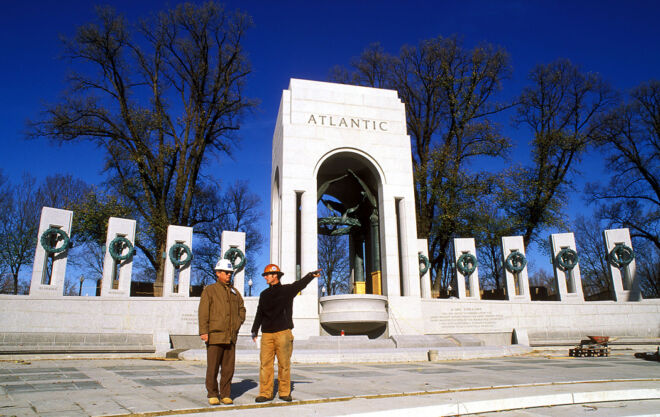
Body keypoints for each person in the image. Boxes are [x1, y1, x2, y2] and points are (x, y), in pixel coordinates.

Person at [251, 264, 321, 403]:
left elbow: (299, 284)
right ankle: (265, 393)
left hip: (283, 332)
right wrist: (254, 330)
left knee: (284, 364)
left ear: (275, 275)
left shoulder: (287, 290)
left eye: (267, 275)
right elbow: (259, 312)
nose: (265, 277)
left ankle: (284, 392)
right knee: (265, 364)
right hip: (267, 335)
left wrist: (310, 276)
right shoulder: (264, 294)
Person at [198, 259, 246, 406]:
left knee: (228, 368)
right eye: (226, 272)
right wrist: (204, 331)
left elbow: (242, 310)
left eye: (230, 273)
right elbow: (203, 312)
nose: (228, 275)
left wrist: (237, 324)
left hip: (230, 336)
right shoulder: (210, 290)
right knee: (212, 367)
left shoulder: (235, 292)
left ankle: (225, 394)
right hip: (215, 335)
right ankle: (212, 393)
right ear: (218, 273)